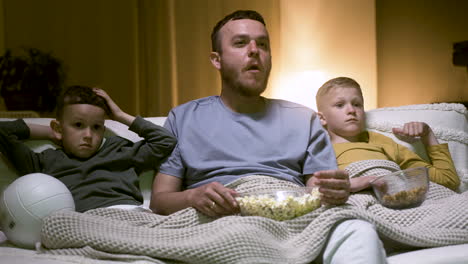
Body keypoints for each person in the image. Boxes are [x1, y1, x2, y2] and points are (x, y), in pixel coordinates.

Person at [151, 10, 387, 264]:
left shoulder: (303, 119)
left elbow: (317, 191)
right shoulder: (183, 118)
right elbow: (159, 200)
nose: (254, 51)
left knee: (357, 229)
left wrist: (335, 190)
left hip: (292, 217)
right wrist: (192, 196)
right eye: (241, 43)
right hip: (221, 221)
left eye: (262, 44)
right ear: (216, 59)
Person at [0, 85, 177, 212]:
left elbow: (166, 141)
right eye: (78, 125)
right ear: (59, 128)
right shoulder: (45, 161)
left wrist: (120, 115)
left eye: (96, 127)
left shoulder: (119, 148)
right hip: (78, 222)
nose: (88, 135)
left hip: (126, 214)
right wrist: (52, 133)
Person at [315, 77, 460, 192]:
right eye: (340, 105)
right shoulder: (317, 149)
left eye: (357, 104)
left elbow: (448, 181)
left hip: (394, 197)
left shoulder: (382, 142)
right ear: (322, 118)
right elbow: (313, 189)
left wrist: (428, 135)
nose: (351, 110)